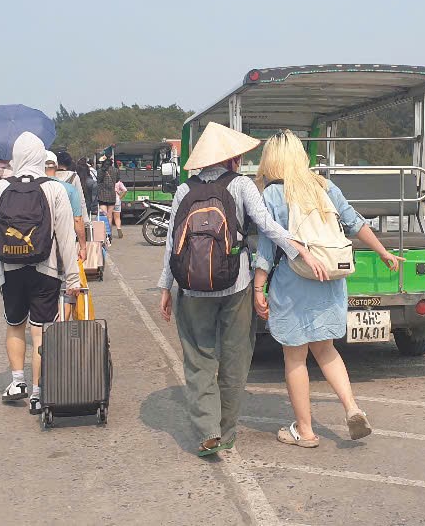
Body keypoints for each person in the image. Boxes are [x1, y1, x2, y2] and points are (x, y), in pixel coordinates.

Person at [157, 121, 327, 457]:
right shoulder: (242, 186)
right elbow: (267, 226)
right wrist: (300, 250)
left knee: (198, 359)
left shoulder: (183, 191)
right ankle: (226, 431)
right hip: (236, 285)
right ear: (233, 158)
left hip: (190, 289)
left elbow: (171, 243)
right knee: (235, 359)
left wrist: (165, 286)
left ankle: (207, 431)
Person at [253, 130, 404, 446]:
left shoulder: (272, 195)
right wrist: (383, 252)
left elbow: (267, 248)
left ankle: (305, 431)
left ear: (271, 159)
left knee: (295, 358)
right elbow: (356, 223)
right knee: (326, 349)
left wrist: (258, 288)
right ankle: (352, 407)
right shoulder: (325, 186)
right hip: (331, 281)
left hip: (293, 283)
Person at [0, 133, 81, 415]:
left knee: (15, 325)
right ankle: (38, 393)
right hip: (46, 270)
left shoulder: (1, 188)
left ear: (16, 157)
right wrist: (73, 278)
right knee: (40, 332)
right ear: (41, 157)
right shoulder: (55, 189)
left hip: (10, 270)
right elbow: (66, 239)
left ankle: (17, 383)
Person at [45, 150, 88, 316]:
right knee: (67, 287)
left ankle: (44, 326)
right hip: (65, 244)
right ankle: (61, 324)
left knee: (46, 289)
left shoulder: (34, 187)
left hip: (41, 246)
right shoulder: (69, 188)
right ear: (56, 167)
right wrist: (83, 246)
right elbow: (78, 220)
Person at [95, 155, 118, 223]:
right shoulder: (116, 170)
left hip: (102, 195)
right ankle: (109, 232)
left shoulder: (100, 171)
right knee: (110, 215)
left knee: (104, 215)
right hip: (112, 195)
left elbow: (98, 181)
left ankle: (104, 232)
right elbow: (117, 180)